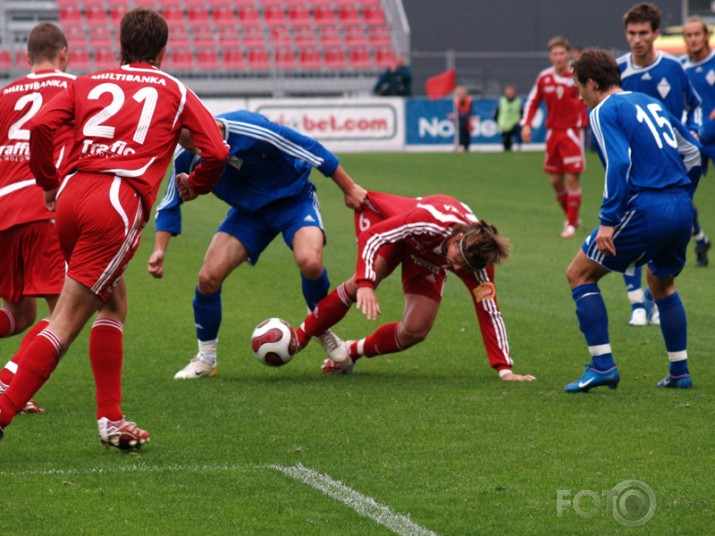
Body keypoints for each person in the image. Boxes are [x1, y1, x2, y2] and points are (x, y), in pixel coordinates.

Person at [0, 8, 229, 448]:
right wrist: (195, 185)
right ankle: (5, 408)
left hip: (70, 197)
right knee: (65, 320)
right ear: (164, 51)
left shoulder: (87, 81)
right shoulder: (174, 90)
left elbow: (43, 126)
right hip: (116, 202)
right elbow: (216, 150)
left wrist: (49, 183)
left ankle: (111, 418)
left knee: (112, 303)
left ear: (119, 46)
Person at [148, 109, 367, 379]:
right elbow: (170, 201)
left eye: (195, 141)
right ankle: (206, 359)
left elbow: (308, 147)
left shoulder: (249, 128)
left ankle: (320, 327)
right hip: (249, 214)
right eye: (185, 145)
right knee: (208, 277)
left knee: (310, 262)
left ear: (205, 125)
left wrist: (350, 188)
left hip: (293, 200)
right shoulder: (186, 156)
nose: (196, 150)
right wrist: (160, 249)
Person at [289, 191, 536, 382]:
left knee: (415, 331)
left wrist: (505, 369)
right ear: (458, 238)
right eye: (458, 261)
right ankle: (299, 338)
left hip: (429, 258)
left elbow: (489, 310)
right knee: (362, 280)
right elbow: (373, 237)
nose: (458, 269)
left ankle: (351, 352)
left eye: (464, 267)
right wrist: (365, 283)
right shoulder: (431, 221)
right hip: (399, 232)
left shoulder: (477, 264)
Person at [564, 48, 700, 393]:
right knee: (661, 282)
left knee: (579, 274)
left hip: (646, 208)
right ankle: (679, 372)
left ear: (592, 83)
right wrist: (685, 194)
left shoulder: (603, 109)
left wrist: (608, 221)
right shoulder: (647, 100)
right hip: (681, 207)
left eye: (579, 86)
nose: (578, 94)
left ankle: (602, 365)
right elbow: (692, 151)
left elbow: (620, 164)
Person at [0, 23, 75, 415]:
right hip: (43, 208)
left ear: (27, 58)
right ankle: (9, 379)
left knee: (19, 314)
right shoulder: (76, 90)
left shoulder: (4, 94)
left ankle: (10, 377)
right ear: (64, 53)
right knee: (66, 312)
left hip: (4, 212)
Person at [617, 2, 707, 327]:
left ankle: (656, 300)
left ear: (655, 33)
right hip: (634, 169)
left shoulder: (673, 67)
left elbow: (694, 105)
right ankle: (635, 304)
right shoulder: (619, 72)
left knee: (664, 231)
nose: (637, 39)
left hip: (671, 167)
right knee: (630, 231)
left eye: (643, 33)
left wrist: (694, 132)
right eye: (632, 33)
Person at [521, 36, 589, 239]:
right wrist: (526, 125)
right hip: (553, 134)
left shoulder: (577, 76)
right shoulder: (544, 78)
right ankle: (572, 216)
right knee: (555, 181)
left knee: (571, 178)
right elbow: (533, 101)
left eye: (562, 53)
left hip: (573, 133)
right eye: (555, 54)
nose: (559, 57)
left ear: (567, 54)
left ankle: (570, 224)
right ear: (550, 56)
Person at [682, 16, 713, 266]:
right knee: (681, 194)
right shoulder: (681, 69)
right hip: (694, 138)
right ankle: (700, 239)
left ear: (706, 36)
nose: (693, 39)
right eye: (688, 34)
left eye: (697, 34)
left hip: (712, 135)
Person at [494, 84, 522, 151]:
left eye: (511, 92)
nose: (510, 93)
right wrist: (498, 122)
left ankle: (518, 146)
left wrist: (520, 120)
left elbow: (522, 112)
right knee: (506, 143)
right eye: (508, 92)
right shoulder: (502, 101)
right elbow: (496, 113)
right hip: (504, 125)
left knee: (519, 132)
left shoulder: (518, 101)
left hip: (514, 124)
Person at [452, 86, 473, 152]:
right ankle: (459, 146)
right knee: (459, 134)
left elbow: (468, 112)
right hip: (459, 122)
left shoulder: (469, 100)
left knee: (466, 135)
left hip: (466, 122)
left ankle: (466, 147)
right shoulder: (456, 101)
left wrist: (460, 116)